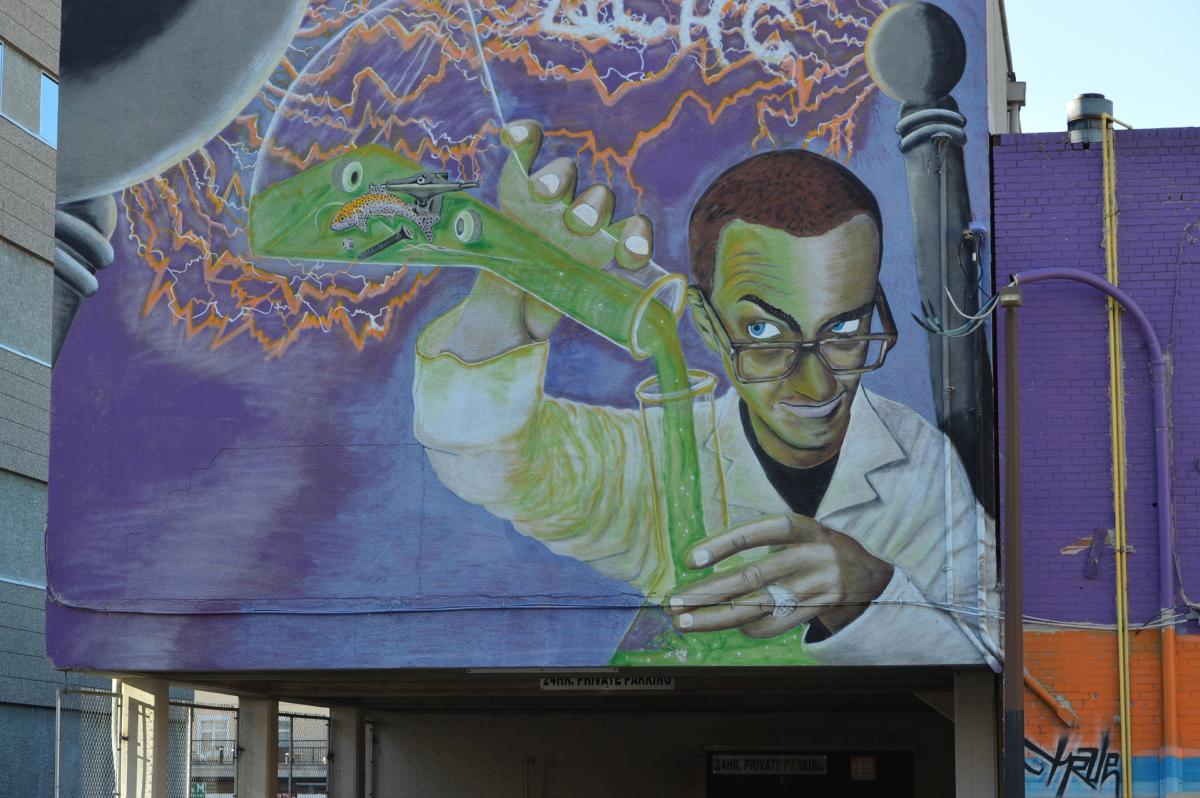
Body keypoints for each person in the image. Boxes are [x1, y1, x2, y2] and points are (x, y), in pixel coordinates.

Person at [412, 120, 998, 665]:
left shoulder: (920, 465)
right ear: (706, 324)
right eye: (764, 333)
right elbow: (490, 463)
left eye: (844, 330)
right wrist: (502, 294)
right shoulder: (661, 459)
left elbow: (997, 655)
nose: (817, 385)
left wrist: (869, 593)